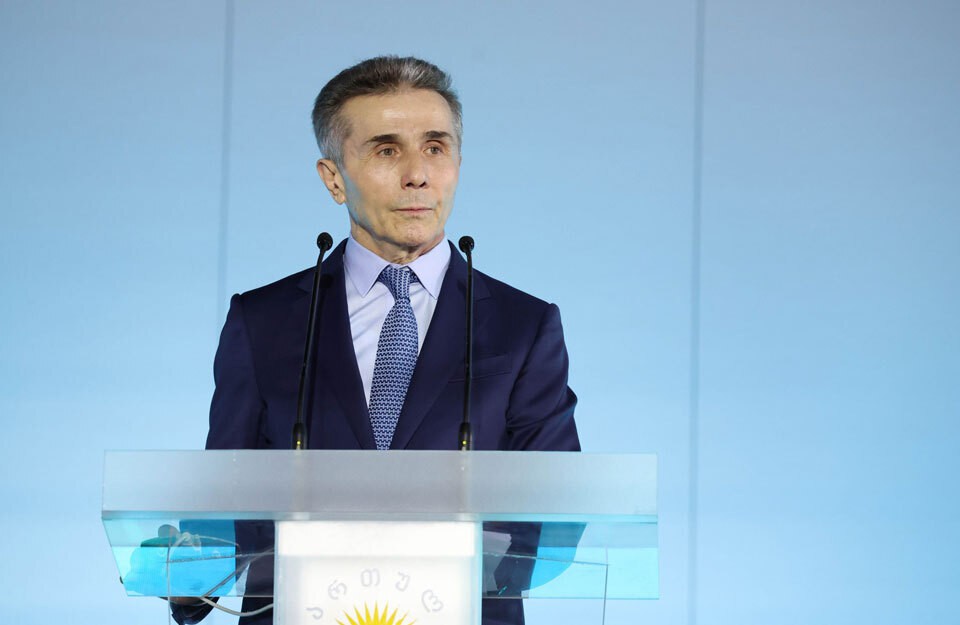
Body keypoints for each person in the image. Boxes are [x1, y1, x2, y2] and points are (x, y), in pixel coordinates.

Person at [173, 55, 580, 625]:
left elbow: (553, 511)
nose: (417, 174)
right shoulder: (262, 321)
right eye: (387, 151)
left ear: (457, 164)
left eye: (435, 147)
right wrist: (192, 571)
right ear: (333, 178)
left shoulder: (524, 326)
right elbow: (226, 498)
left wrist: (437, 575)